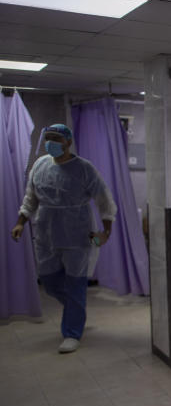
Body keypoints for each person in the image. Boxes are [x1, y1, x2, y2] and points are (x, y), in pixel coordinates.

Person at [10, 124, 116, 354]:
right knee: (48, 280)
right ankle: (75, 311)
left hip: (77, 233)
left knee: (76, 283)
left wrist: (105, 231)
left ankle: (72, 333)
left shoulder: (84, 169)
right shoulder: (40, 165)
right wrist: (20, 221)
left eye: (56, 138)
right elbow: (30, 198)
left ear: (68, 142)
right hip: (46, 232)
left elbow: (104, 200)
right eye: (48, 138)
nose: (51, 143)